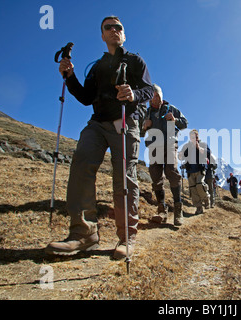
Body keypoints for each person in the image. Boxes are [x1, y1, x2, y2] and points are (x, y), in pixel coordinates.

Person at [45, 16, 154, 260]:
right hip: (97, 123)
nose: (114, 30)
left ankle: (127, 237)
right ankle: (84, 234)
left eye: (119, 27)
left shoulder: (135, 61)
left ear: (123, 34)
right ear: (102, 35)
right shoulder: (96, 67)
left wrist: (133, 94)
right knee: (82, 161)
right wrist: (70, 76)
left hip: (125, 121)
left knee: (123, 176)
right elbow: (85, 97)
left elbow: (148, 89)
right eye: (109, 27)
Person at [142, 84, 188, 226]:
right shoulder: (146, 113)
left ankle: (178, 210)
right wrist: (144, 126)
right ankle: (161, 209)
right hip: (154, 147)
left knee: (172, 172)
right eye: (152, 96)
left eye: (157, 96)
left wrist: (175, 120)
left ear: (161, 96)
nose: (154, 99)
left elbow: (185, 123)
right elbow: (139, 133)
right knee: (156, 177)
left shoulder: (171, 108)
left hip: (170, 145)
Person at [178, 129, 211, 214]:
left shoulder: (202, 144)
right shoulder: (187, 146)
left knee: (200, 185)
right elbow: (182, 156)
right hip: (190, 170)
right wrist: (180, 155)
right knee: (193, 189)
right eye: (192, 137)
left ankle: (206, 198)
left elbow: (208, 153)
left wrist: (198, 148)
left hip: (200, 169)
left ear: (198, 137)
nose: (194, 138)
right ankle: (199, 207)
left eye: (195, 137)